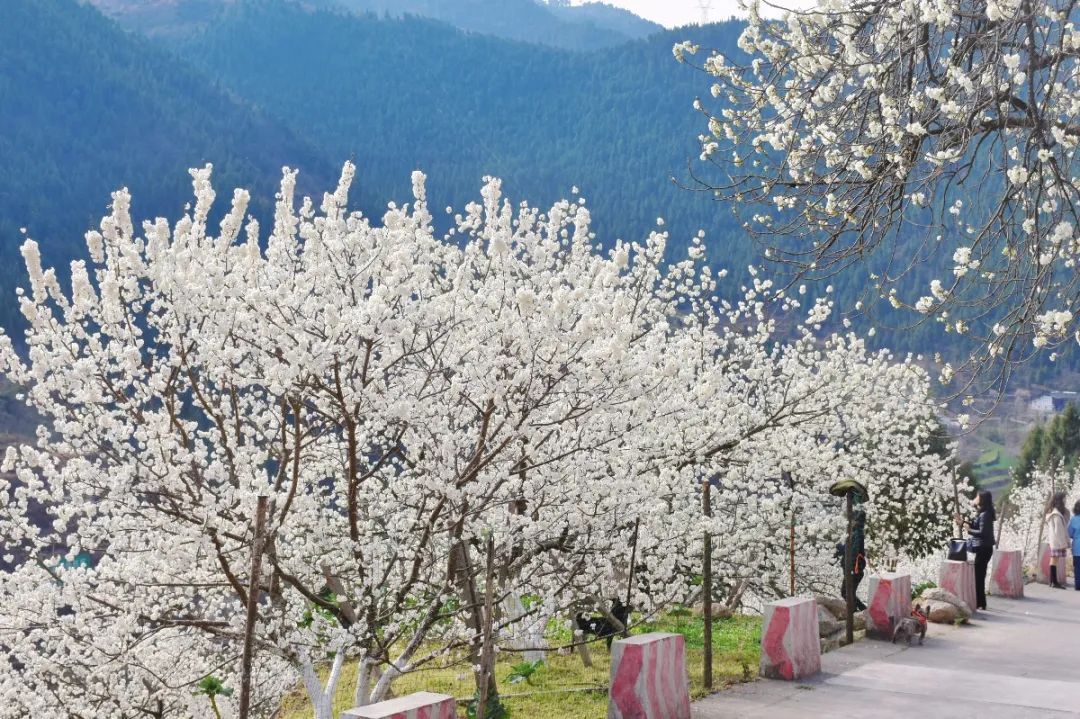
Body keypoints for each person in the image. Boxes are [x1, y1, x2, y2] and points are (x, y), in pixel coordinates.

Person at [964, 490, 995, 610]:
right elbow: (978, 527)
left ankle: (979, 602)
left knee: (978, 575)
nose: (975, 498)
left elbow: (982, 532)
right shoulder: (984, 513)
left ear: (982, 499)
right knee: (979, 575)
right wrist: (965, 523)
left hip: (984, 548)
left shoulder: (985, 514)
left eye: (977, 496)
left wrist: (968, 530)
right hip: (985, 548)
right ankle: (981, 602)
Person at [837, 508, 867, 612]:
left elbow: (851, 551)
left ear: (855, 520)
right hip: (854, 570)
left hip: (853, 570)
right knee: (849, 593)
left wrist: (840, 547)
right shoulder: (855, 533)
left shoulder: (856, 534)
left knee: (846, 593)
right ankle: (863, 611)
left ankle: (856, 614)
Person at [1046, 491, 1071, 589]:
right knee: (1054, 560)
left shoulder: (1055, 512)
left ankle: (1052, 581)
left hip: (1055, 540)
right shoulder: (1056, 515)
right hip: (1057, 541)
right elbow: (1059, 530)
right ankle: (1054, 582)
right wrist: (1063, 543)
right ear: (1060, 500)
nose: (1065, 500)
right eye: (1064, 498)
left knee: (1054, 560)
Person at [1068, 499, 1080, 591]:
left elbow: (1070, 533)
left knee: (1077, 567)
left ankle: (1078, 584)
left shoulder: (1074, 519)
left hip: (1077, 547)